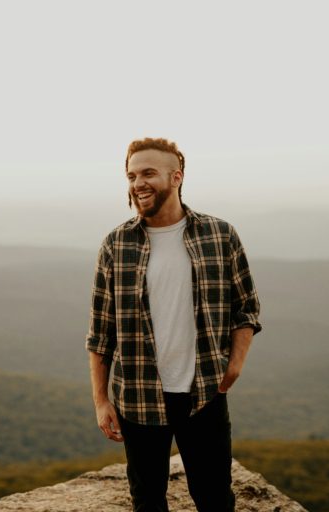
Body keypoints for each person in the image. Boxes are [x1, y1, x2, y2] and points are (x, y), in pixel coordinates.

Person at [85, 137, 262, 512]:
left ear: (176, 177)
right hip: (138, 397)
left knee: (215, 498)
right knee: (147, 501)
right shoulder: (116, 245)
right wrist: (101, 400)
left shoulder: (220, 235)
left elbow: (245, 307)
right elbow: (101, 333)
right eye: (132, 176)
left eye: (148, 173)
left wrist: (236, 364)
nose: (138, 184)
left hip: (205, 395)